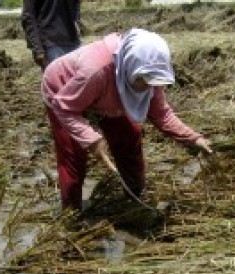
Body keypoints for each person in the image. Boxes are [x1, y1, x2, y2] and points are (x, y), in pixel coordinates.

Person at [41, 28, 214, 211]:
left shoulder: (149, 73)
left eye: (151, 82)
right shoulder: (97, 70)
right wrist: (92, 140)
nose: (146, 87)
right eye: (142, 81)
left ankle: (133, 197)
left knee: (129, 136)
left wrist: (194, 139)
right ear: (129, 66)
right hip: (64, 91)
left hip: (105, 95)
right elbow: (64, 107)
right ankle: (71, 215)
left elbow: (162, 115)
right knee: (75, 156)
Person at [21, 0, 82, 68]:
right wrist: (38, 49)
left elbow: (76, 5)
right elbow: (28, 16)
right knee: (56, 77)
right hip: (50, 44)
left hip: (73, 41)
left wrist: (77, 23)